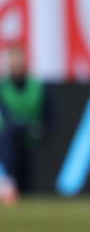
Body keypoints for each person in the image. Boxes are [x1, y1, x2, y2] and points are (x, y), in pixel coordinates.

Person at [0, 45, 49, 196]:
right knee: (10, 138)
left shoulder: (36, 86)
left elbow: (47, 114)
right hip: (6, 137)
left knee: (26, 177)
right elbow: (6, 116)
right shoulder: (3, 86)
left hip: (29, 137)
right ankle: (7, 182)